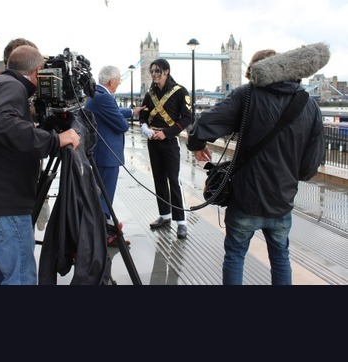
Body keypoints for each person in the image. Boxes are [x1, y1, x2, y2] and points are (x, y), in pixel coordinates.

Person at [187, 43, 329, 285]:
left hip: (245, 198)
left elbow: (205, 124)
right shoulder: (310, 105)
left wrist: (197, 144)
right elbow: (308, 168)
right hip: (281, 201)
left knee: (235, 256)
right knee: (281, 258)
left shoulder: (247, 94)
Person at [0, 44, 81, 285]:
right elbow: (2, 123)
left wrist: (38, 129)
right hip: (3, 207)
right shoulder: (10, 86)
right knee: (21, 278)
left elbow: (3, 126)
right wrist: (56, 140)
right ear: (37, 71)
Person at [84, 65, 143, 247]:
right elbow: (122, 125)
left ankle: (102, 229)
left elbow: (112, 112)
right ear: (112, 81)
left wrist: (132, 112)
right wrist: (126, 118)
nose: (119, 83)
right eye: (119, 80)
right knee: (105, 196)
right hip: (107, 155)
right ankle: (104, 234)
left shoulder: (98, 94)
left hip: (100, 153)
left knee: (101, 194)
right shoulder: (105, 98)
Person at [138, 58, 192, 239]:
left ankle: (181, 222)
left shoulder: (180, 92)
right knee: (159, 179)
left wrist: (167, 133)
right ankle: (165, 216)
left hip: (169, 142)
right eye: (152, 71)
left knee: (174, 181)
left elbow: (186, 118)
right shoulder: (150, 93)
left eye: (157, 71)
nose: (154, 74)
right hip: (153, 141)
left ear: (166, 71)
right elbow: (144, 115)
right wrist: (145, 129)